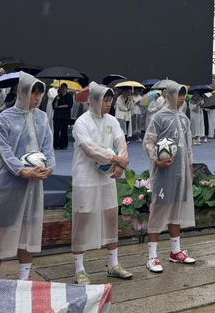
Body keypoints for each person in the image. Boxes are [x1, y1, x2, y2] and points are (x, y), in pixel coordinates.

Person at [0, 72, 55, 281]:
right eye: (34, 93)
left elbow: (47, 145)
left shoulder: (42, 118)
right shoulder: (5, 118)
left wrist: (49, 167)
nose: (38, 98)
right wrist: (21, 170)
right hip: (9, 183)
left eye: (40, 94)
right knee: (0, 230)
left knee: (28, 230)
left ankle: (24, 278)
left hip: (34, 185)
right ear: (22, 93)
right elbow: (4, 151)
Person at [71, 83, 133, 284]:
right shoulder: (82, 122)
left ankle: (113, 264)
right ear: (95, 100)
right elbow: (90, 149)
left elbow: (121, 142)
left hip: (107, 177)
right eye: (105, 100)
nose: (108, 104)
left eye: (110, 100)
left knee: (110, 217)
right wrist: (116, 159)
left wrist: (121, 163)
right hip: (85, 177)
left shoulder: (112, 120)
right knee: (82, 219)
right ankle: (79, 269)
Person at [143, 81, 196, 272]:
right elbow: (148, 141)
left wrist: (190, 167)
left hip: (180, 172)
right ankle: (152, 256)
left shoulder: (184, 119)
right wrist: (156, 160)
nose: (182, 98)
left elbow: (188, 147)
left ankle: (175, 251)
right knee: (159, 210)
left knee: (176, 210)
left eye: (183, 95)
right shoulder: (159, 117)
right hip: (164, 173)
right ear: (170, 95)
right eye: (179, 94)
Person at [52, 83, 74, 150]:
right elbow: (54, 106)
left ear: (66, 89)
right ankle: (56, 144)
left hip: (65, 116)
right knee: (56, 130)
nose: (62, 89)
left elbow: (69, 105)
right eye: (61, 88)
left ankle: (63, 144)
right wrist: (57, 100)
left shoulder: (69, 97)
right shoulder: (58, 96)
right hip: (57, 116)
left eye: (64, 88)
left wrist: (59, 106)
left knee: (64, 130)